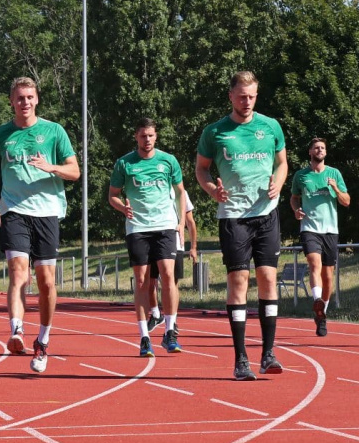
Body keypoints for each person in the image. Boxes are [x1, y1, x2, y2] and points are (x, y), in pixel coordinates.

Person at [0, 77, 80, 374]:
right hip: (14, 209)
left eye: (30, 97)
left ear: (37, 100)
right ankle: (16, 330)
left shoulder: (53, 131)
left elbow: (74, 172)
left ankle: (43, 341)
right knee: (17, 271)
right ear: (11, 101)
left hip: (47, 211)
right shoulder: (0, 135)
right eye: (19, 98)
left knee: (46, 281)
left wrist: (52, 167)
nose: (25, 102)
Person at [195, 71, 287, 381]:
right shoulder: (215, 132)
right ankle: (241, 359)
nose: (247, 102)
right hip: (233, 216)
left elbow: (282, 162)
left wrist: (279, 182)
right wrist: (212, 191)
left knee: (268, 278)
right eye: (241, 96)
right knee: (239, 283)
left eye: (252, 96)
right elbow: (201, 170)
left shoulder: (270, 126)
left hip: (267, 213)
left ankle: (268, 353)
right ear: (231, 96)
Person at [108, 117, 186, 356]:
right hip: (138, 227)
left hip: (164, 225)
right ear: (136, 137)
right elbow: (113, 196)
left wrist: (181, 223)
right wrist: (123, 208)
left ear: (156, 136)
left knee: (168, 275)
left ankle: (170, 331)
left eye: (151, 135)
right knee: (142, 281)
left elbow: (180, 192)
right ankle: (143, 336)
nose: (147, 140)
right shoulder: (124, 164)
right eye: (143, 136)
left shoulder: (168, 161)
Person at [290, 137, 350, 336]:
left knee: (328, 276)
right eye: (316, 147)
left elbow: (346, 201)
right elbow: (294, 198)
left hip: (330, 230)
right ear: (310, 152)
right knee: (314, 264)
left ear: (326, 152)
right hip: (310, 228)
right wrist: (297, 210)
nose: (320, 150)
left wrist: (334, 187)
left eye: (323, 148)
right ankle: (317, 300)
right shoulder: (301, 175)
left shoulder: (334, 173)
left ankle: (321, 313)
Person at [145, 192, 199, 334]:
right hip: (153, 241)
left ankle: (172, 321)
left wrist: (193, 247)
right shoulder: (154, 187)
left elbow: (190, 222)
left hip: (175, 243)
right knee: (150, 283)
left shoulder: (181, 193)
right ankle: (156, 314)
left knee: (172, 284)